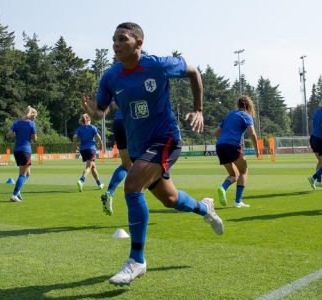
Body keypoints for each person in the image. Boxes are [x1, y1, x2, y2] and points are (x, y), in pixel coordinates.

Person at [81, 22, 223, 286]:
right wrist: (94, 112)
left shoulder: (157, 65)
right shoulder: (110, 77)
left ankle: (137, 261)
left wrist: (199, 109)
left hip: (165, 138)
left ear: (139, 43)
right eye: (114, 40)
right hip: (139, 148)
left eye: (122, 39)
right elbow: (102, 111)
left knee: (133, 186)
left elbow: (193, 71)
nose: (116, 44)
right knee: (170, 199)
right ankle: (205, 208)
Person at [214, 96, 260, 208]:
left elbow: (216, 133)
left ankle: (223, 188)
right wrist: (257, 149)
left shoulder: (229, 115)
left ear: (238, 104)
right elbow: (252, 133)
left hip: (220, 146)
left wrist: (225, 140)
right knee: (243, 171)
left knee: (234, 175)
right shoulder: (246, 116)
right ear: (249, 106)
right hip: (232, 146)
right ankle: (238, 201)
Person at [100, 108, 132, 216]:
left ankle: (110, 192)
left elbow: (111, 104)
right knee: (144, 162)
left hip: (118, 121)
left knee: (126, 165)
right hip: (133, 120)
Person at [6, 106, 38, 202]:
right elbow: (34, 139)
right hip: (25, 150)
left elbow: (9, 135)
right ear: (32, 115)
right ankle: (14, 194)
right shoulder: (32, 124)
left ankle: (18, 190)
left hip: (17, 150)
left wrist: (17, 134)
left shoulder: (16, 122)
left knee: (27, 174)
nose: (35, 118)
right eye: (35, 116)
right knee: (23, 175)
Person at [73, 113, 104, 192]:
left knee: (93, 166)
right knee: (88, 167)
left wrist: (76, 145)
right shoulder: (92, 127)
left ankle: (99, 183)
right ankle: (81, 180)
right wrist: (101, 144)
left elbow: (74, 137)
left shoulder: (79, 129)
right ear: (88, 120)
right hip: (91, 149)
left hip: (83, 150)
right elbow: (98, 137)